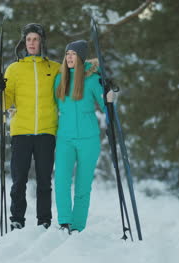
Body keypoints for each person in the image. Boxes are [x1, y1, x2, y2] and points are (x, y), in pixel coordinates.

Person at [0, 23, 61, 230]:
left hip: (46, 131)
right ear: (23, 42)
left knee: (44, 181)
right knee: (19, 180)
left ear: (42, 42)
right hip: (21, 132)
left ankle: (44, 221)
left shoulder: (54, 68)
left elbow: (70, 84)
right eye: (28, 39)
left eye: (35, 39)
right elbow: (5, 100)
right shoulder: (14, 68)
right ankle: (17, 219)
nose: (31, 43)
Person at [53, 40, 114, 234]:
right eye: (67, 54)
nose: (69, 57)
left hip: (89, 140)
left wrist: (110, 100)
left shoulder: (92, 79)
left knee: (82, 185)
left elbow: (107, 106)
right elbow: (50, 105)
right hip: (65, 139)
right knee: (61, 181)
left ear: (81, 57)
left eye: (73, 54)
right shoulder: (59, 79)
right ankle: (64, 222)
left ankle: (78, 226)